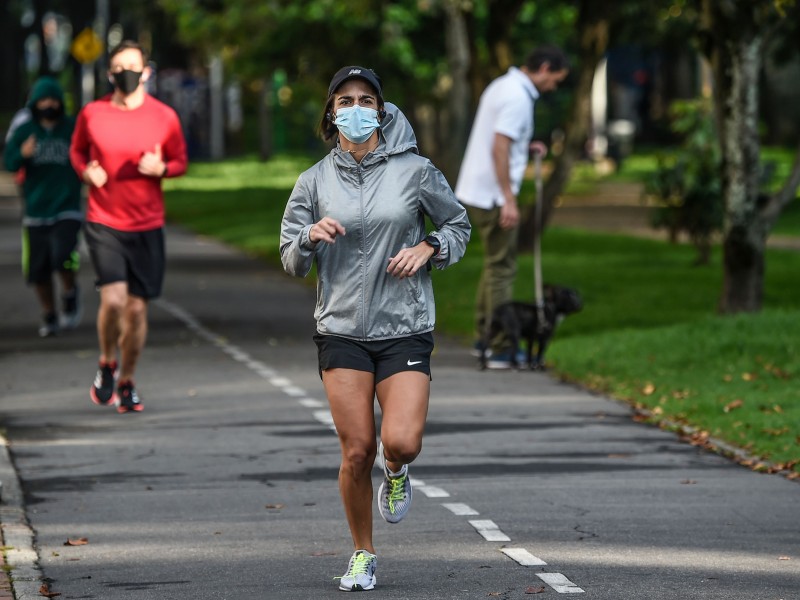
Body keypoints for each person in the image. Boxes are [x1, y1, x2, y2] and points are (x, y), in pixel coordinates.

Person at [280, 66, 470, 592]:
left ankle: (399, 470)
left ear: (381, 111)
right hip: (341, 327)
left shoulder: (415, 171)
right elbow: (290, 258)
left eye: (367, 100)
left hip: (404, 324)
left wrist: (429, 247)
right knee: (356, 449)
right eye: (346, 101)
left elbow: (458, 224)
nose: (356, 109)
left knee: (401, 441)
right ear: (331, 111)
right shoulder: (313, 181)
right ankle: (362, 552)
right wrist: (309, 238)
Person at [70, 40, 187, 413]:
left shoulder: (164, 117)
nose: (127, 74)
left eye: (133, 67)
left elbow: (180, 161)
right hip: (104, 221)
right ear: (109, 74)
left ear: (146, 72)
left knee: (137, 311)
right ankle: (107, 361)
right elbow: (77, 152)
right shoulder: (92, 113)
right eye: (119, 68)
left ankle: (127, 379)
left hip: (147, 224)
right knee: (114, 299)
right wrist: (86, 171)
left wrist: (162, 169)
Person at [455, 45, 569, 369]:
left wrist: (526, 144)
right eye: (556, 80)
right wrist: (509, 198)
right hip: (493, 194)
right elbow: (499, 147)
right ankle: (503, 347)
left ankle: (484, 337)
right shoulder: (518, 98)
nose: (553, 87)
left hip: (476, 189)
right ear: (544, 68)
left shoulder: (501, 85)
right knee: (503, 269)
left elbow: (503, 138)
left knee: (494, 266)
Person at [4, 76, 83, 337]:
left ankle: (70, 293)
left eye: (52, 99)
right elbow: (10, 163)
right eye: (42, 100)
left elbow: (88, 156)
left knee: (63, 256)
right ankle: (49, 314)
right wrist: (22, 155)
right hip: (36, 210)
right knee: (38, 270)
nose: (48, 104)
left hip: (67, 207)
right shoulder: (25, 130)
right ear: (34, 103)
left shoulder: (72, 128)